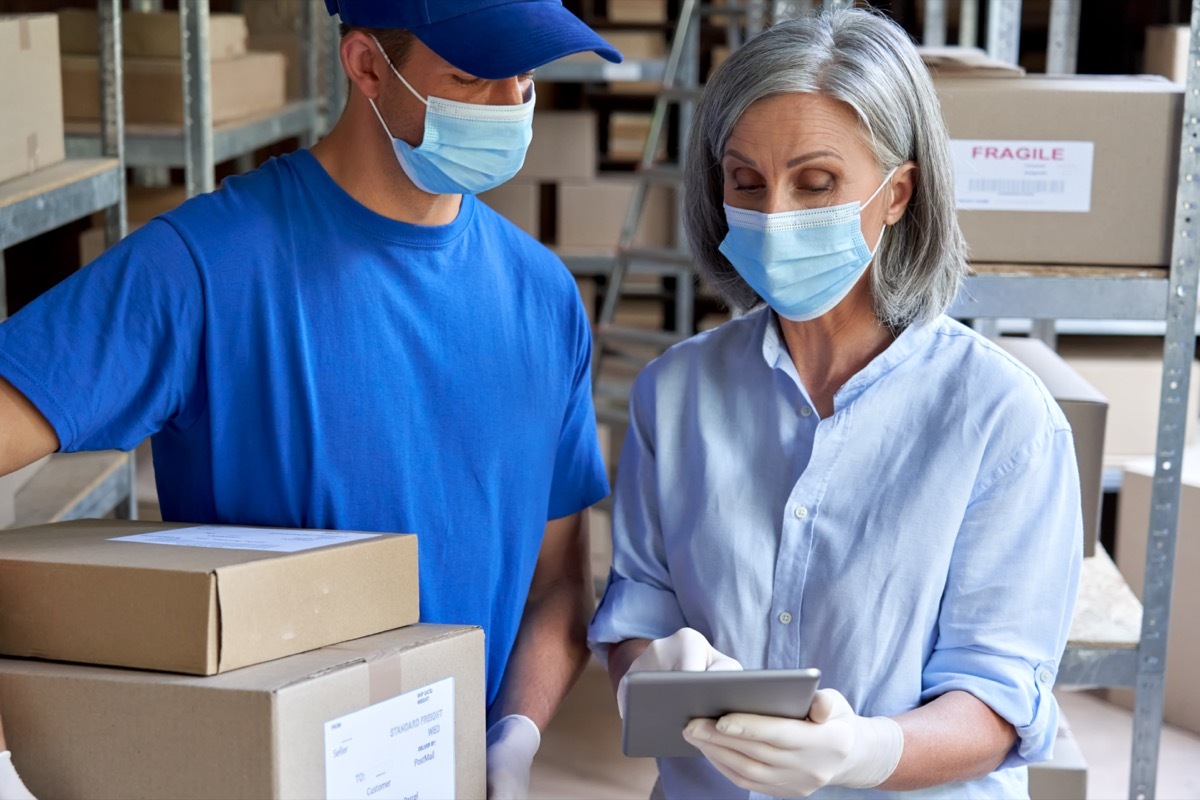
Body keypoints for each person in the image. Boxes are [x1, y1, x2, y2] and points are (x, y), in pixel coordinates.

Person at [0, 2, 619, 798]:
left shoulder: (543, 298)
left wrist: (516, 736)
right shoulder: (206, 267)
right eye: (471, 77)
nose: (509, 108)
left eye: (525, 77)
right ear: (366, 66)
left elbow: (558, 585)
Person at [588, 8, 1082, 799]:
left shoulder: (1002, 420)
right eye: (746, 181)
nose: (774, 215)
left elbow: (996, 699)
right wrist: (644, 667)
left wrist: (866, 753)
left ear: (898, 194)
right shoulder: (674, 393)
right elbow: (636, 614)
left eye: (816, 183)